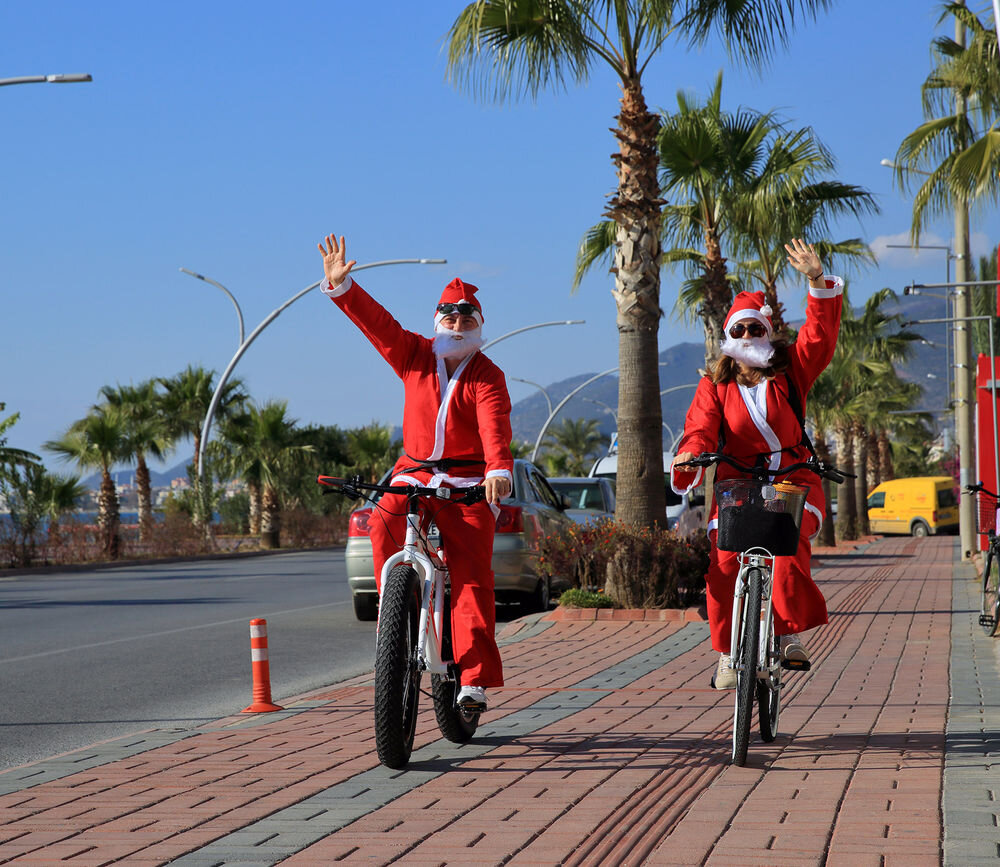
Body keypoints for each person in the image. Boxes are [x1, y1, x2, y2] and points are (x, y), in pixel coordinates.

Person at [317, 234, 513, 711]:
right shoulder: (413, 355)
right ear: (437, 322)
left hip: (467, 482)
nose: (457, 323)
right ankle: (394, 617)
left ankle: (474, 679)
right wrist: (344, 288)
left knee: (471, 576)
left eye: (467, 317)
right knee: (382, 517)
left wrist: (498, 470)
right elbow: (378, 326)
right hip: (414, 471)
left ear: (478, 325)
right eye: (449, 315)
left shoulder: (487, 375)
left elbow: (494, 428)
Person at [670, 238, 843, 689]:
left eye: (755, 329)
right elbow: (701, 428)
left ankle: (786, 633)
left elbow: (819, 337)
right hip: (736, 485)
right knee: (724, 564)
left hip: (792, 479)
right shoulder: (715, 385)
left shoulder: (792, 373)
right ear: (728, 337)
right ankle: (729, 654)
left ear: (768, 332)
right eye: (740, 330)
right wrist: (691, 454)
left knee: (786, 550)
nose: (748, 337)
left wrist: (815, 281)